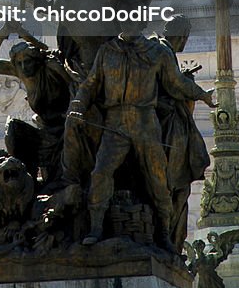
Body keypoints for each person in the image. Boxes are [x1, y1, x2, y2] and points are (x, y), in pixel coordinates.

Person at [67, 19, 215, 251]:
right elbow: (91, 83)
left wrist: (203, 95)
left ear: (143, 23)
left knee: (158, 178)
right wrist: (77, 104)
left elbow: (177, 83)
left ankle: (164, 233)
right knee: (100, 172)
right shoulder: (108, 51)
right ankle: (95, 228)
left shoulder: (157, 53)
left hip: (145, 122)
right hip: (115, 121)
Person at [0, 25, 73, 187]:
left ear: (37, 61)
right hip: (45, 128)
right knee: (13, 130)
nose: (24, 67)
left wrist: (25, 35)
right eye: (20, 63)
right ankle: (27, 181)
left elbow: (50, 56)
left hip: (68, 125)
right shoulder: (20, 72)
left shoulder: (51, 67)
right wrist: (2, 33)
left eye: (27, 61)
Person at [155, 14, 210, 253]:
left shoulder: (160, 49)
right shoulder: (163, 50)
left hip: (164, 118)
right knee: (177, 185)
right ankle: (169, 239)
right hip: (163, 122)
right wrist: (202, 94)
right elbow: (175, 84)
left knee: (179, 188)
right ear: (182, 37)